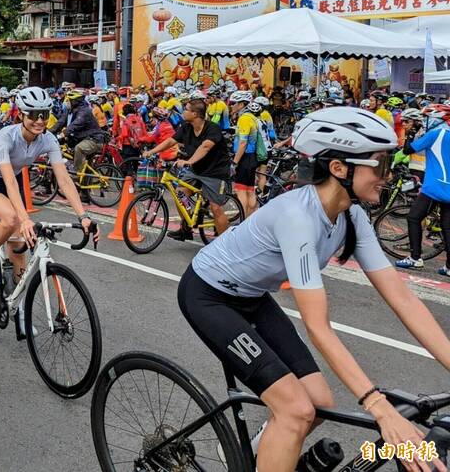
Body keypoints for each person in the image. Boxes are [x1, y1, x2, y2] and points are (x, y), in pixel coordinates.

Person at [179, 106, 450, 472]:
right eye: (381, 166)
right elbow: (318, 327)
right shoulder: (298, 218)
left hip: (252, 297)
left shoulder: (352, 215)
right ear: (340, 168)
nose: (388, 177)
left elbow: (401, 298)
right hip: (208, 295)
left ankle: (260, 454)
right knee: (295, 410)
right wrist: (378, 407)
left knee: (318, 401)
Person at [0, 88, 98, 311]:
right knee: (11, 219)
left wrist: (83, 215)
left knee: (20, 244)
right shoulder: (6, 137)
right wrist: (25, 218)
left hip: (14, 180)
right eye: (33, 114)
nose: (39, 120)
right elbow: (9, 181)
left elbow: (64, 180)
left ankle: (16, 307)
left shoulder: (48, 140)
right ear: (21, 114)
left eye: (44, 114)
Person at [146, 98, 232, 239]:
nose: (182, 111)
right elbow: (170, 141)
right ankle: (186, 228)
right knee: (179, 194)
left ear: (195, 114)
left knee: (215, 208)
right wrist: (152, 152)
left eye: (186, 109)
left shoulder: (212, 128)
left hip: (215, 173)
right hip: (196, 170)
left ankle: (225, 244)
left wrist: (189, 161)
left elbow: (205, 147)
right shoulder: (186, 127)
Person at [396, 105, 450, 274]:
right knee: (447, 227)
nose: (424, 122)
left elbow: (407, 150)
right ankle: (449, 267)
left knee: (413, 217)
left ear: (436, 119)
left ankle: (415, 258)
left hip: (434, 187)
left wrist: (411, 132)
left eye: (427, 119)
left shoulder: (435, 134)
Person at [52, 91, 107, 203]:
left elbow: (76, 124)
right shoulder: (70, 111)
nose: (67, 103)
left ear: (75, 102)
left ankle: (76, 174)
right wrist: (48, 132)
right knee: (86, 169)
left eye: (69, 101)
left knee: (79, 149)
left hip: (94, 140)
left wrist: (63, 134)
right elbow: (61, 122)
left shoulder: (84, 111)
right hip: (82, 139)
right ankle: (84, 195)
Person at [230, 90, 261, 217]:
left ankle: (243, 221)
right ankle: (249, 218)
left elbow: (243, 143)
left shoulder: (244, 119)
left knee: (240, 190)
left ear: (242, 104)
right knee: (250, 190)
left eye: (233, 103)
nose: (231, 105)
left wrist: (235, 162)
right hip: (252, 157)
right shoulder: (253, 117)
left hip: (245, 157)